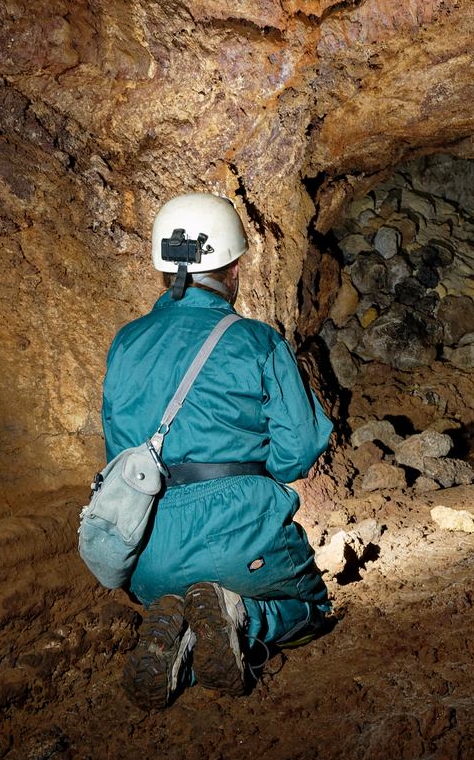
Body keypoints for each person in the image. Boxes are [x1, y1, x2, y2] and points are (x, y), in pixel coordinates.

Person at [101, 192, 334, 710]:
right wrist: (247, 474)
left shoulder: (125, 342)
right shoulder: (257, 340)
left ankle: (179, 629)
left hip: (147, 553)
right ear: (232, 270)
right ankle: (244, 618)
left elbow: (120, 458)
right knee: (311, 610)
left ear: (165, 270)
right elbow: (297, 453)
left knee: (173, 587)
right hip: (240, 536)